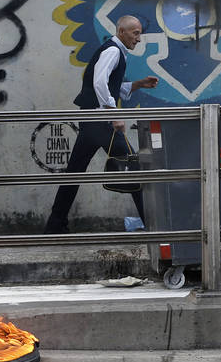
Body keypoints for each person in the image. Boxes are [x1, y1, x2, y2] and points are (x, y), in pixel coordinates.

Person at [44, 15, 159, 234]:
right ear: (121, 32)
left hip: (92, 120)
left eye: (139, 33)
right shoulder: (113, 51)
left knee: (74, 172)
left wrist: (137, 85)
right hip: (101, 121)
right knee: (133, 169)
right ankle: (153, 225)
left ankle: (55, 224)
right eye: (135, 33)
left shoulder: (114, 50)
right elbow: (99, 82)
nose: (139, 39)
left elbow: (110, 85)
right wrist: (113, 113)